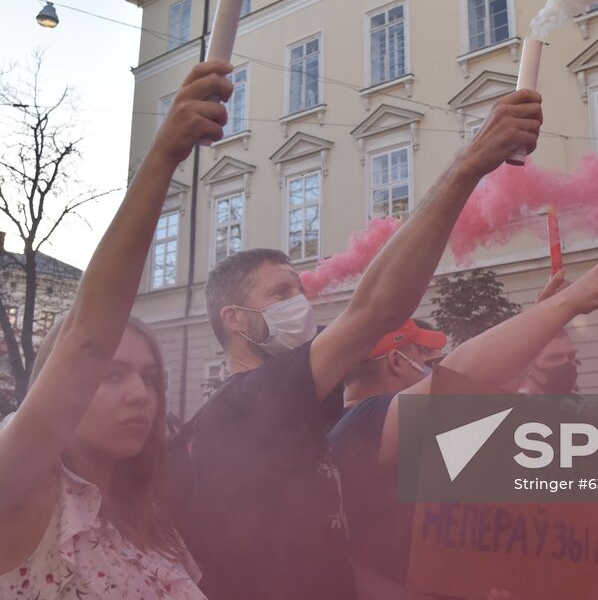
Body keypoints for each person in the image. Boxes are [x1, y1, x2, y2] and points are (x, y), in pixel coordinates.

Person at [169, 90, 544, 600]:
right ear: (234, 319)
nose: (300, 305)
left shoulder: (292, 414)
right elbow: (377, 310)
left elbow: (331, 568)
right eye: (280, 293)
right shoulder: (245, 403)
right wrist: (467, 165)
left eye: (300, 290)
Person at [0, 60, 230, 598]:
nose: (139, 395)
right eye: (111, 375)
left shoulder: (146, 519)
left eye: (150, 378)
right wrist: (163, 158)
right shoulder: (21, 493)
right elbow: (366, 318)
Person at [329, 261, 598, 598]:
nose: (434, 362)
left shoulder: (379, 430)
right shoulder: (361, 423)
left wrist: (545, 320)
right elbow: (460, 376)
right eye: (425, 355)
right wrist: (568, 302)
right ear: (396, 361)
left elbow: (489, 399)